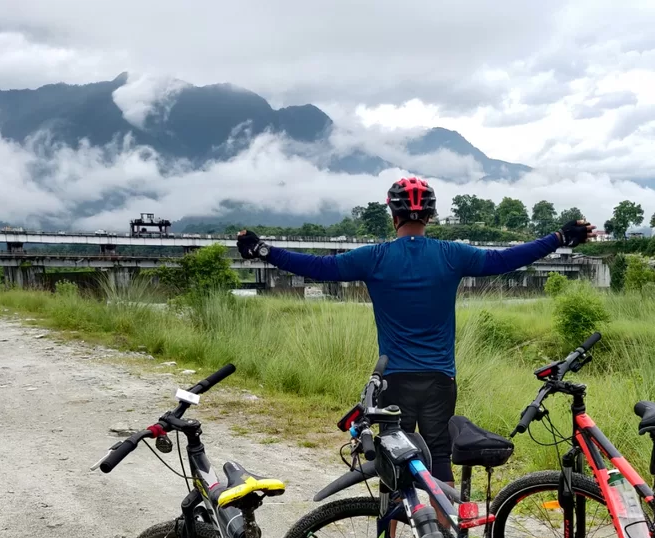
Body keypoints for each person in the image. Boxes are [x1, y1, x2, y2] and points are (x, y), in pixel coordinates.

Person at [237, 177, 592, 480]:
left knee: (396, 458)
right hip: (440, 377)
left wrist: (263, 249)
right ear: (432, 216)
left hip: (395, 378)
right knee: (439, 454)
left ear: (393, 215)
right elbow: (506, 258)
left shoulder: (373, 257)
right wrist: (558, 237)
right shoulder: (451, 253)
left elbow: (316, 267)